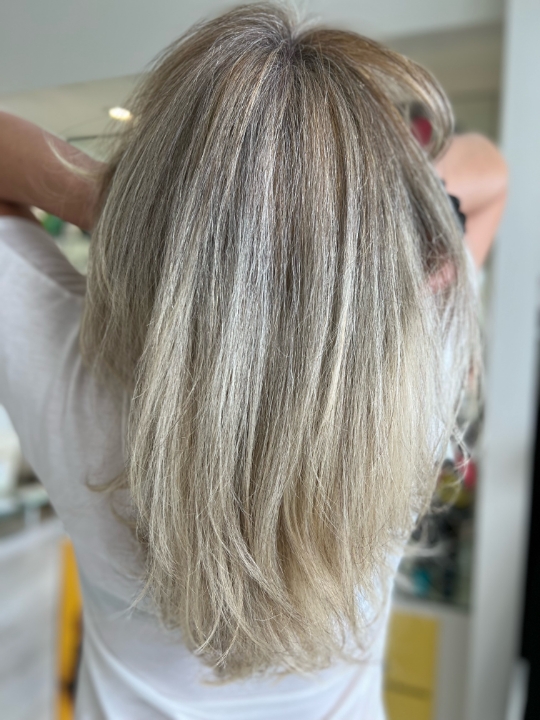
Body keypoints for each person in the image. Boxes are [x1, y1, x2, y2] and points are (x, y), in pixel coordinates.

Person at [0, 4, 507, 718]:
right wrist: (391, 223)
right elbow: (491, 171)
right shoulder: (413, 372)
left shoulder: (75, 379)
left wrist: (110, 204)